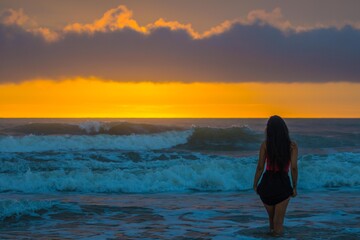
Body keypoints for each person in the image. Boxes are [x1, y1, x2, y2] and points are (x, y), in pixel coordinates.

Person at [253, 115, 298, 236]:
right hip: (282, 184)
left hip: (267, 184)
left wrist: (255, 184)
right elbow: (293, 168)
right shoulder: (292, 146)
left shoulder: (265, 145)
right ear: (284, 129)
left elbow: (260, 167)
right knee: (279, 225)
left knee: (272, 223)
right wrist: (294, 187)